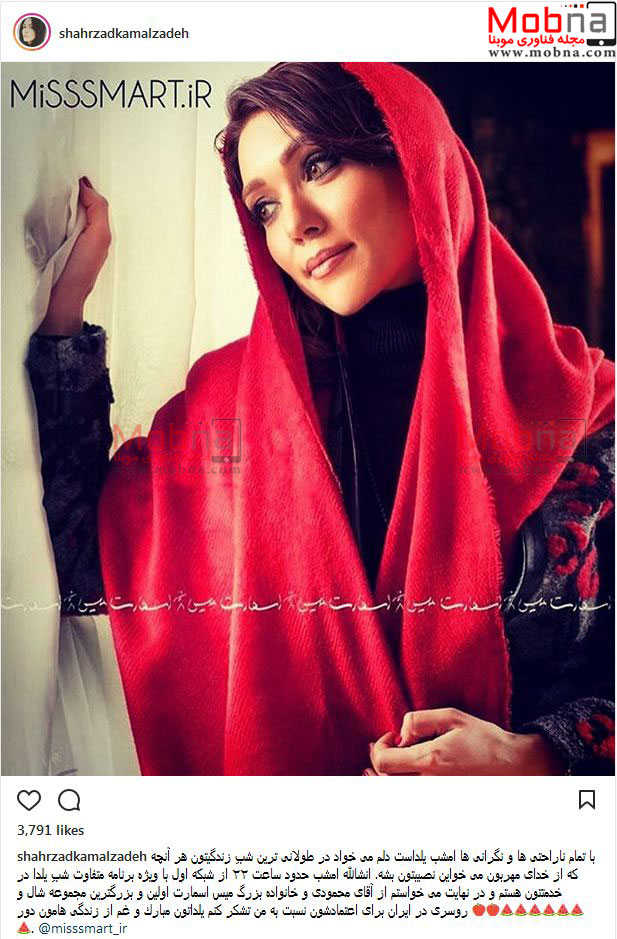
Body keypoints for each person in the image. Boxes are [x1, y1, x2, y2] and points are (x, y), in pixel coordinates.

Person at [26, 62, 615, 776]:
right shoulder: (229, 411)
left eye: (319, 164)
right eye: (264, 207)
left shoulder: (588, 417)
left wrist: (535, 757)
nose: (297, 223)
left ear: (414, 159)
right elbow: (82, 566)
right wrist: (64, 319)